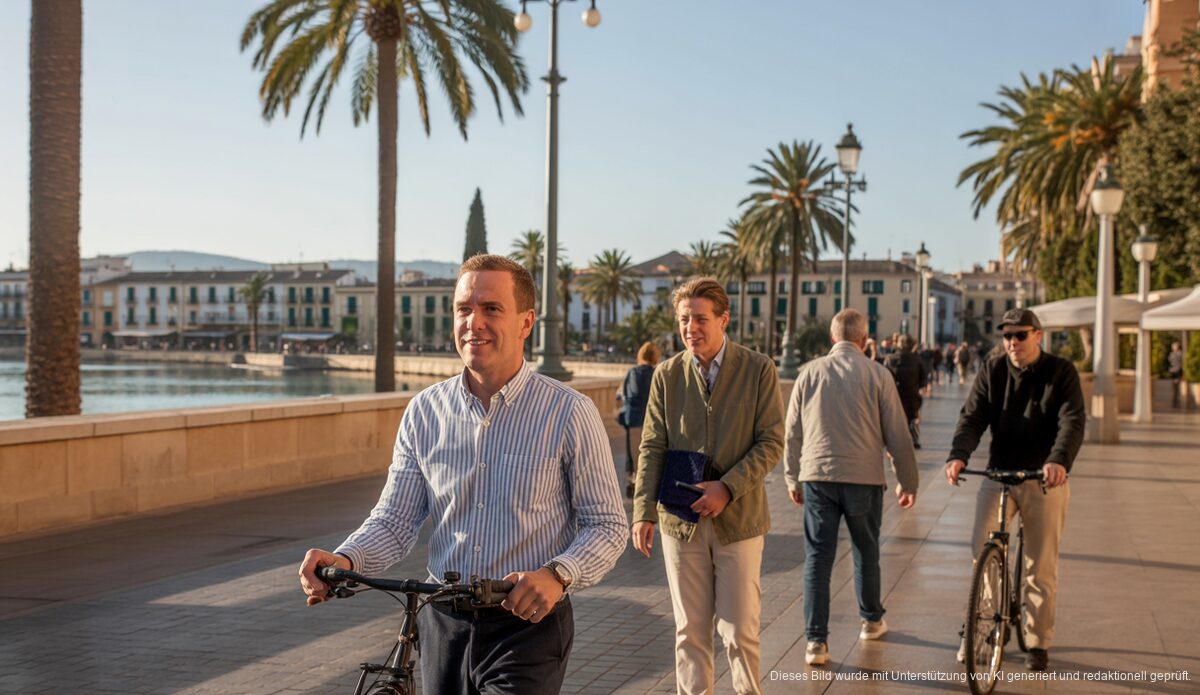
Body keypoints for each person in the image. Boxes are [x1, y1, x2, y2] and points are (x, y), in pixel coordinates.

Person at [298, 254, 627, 695]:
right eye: (464, 309)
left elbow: (607, 526)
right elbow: (395, 521)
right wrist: (346, 560)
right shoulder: (424, 412)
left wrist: (558, 574)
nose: (474, 322)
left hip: (527, 626)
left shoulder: (569, 413)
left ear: (526, 323)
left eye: (492, 308)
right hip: (441, 624)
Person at [632, 277, 784, 695]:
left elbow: (772, 441)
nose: (690, 328)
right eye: (684, 319)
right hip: (680, 523)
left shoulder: (758, 369)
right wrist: (643, 511)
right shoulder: (666, 374)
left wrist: (727, 488)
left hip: (739, 521)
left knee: (739, 632)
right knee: (690, 632)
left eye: (700, 318)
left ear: (724, 319)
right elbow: (652, 445)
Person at [945, 308, 1085, 672]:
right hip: (999, 473)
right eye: (1007, 336)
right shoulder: (992, 369)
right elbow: (973, 416)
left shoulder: (1061, 373)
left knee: (1040, 565)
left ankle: (1037, 641)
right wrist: (959, 455)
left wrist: (1058, 461)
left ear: (1038, 335)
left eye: (1020, 335)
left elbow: (1072, 421)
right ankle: (991, 621)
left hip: (1044, 478)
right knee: (983, 548)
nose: (1012, 342)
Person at [783, 309, 919, 667]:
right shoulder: (878, 374)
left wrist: (791, 477)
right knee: (865, 551)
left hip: (817, 477)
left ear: (832, 338)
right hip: (864, 478)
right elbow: (898, 434)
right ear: (864, 340)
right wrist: (908, 481)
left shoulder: (808, 373)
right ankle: (871, 620)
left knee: (818, 559)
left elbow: (792, 432)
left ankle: (816, 643)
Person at [619, 341, 661, 496]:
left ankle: (632, 482)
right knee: (649, 455)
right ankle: (647, 488)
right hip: (652, 420)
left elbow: (624, 394)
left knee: (633, 454)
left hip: (633, 418)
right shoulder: (657, 373)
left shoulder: (632, 372)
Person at [884, 334, 928, 449]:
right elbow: (924, 376)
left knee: (895, 417)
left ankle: (893, 440)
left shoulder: (890, 358)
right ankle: (914, 440)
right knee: (913, 418)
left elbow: (884, 376)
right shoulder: (917, 359)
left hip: (895, 393)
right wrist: (923, 387)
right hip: (912, 393)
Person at [1168, 341, 1184, 408]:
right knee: (1174, 388)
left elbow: (1181, 362)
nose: (1174, 348)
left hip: (1178, 372)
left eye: (1175, 346)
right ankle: (1175, 401)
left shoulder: (1180, 353)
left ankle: (1176, 401)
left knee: (1176, 387)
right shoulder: (1172, 354)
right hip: (1173, 372)